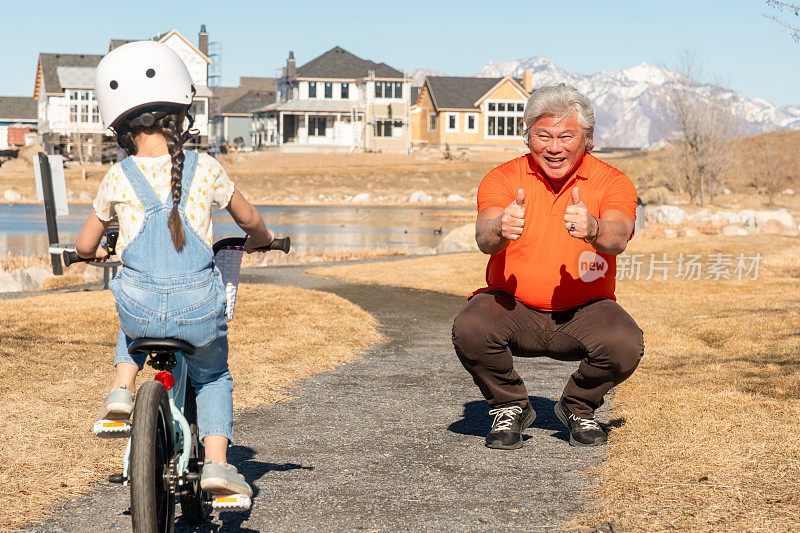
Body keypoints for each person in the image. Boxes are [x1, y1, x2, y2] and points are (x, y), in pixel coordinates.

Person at [75, 41, 275, 496]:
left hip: (142, 310)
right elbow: (248, 219)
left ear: (121, 127)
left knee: (131, 309)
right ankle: (219, 467)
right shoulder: (205, 167)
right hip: (197, 307)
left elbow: (85, 244)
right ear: (181, 114)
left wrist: (91, 254)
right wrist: (262, 240)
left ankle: (121, 393)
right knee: (213, 375)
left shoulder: (117, 176)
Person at [451, 84, 644, 450]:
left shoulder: (613, 181)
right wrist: (499, 228)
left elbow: (618, 237)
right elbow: (484, 237)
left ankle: (577, 407)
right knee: (471, 325)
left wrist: (594, 228)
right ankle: (510, 406)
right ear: (527, 137)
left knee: (624, 343)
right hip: (512, 306)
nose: (554, 148)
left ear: (587, 138)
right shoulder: (503, 178)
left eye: (566, 136)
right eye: (543, 136)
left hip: (584, 311)